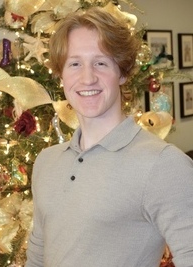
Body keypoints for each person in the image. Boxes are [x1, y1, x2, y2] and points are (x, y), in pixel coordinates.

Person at [25, 7, 193, 267]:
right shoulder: (46, 162)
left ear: (123, 73)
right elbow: (37, 254)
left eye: (101, 63)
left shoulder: (163, 164)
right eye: (75, 63)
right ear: (61, 75)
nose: (87, 77)